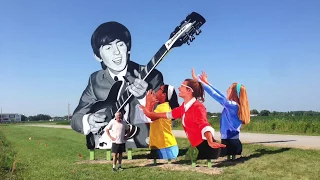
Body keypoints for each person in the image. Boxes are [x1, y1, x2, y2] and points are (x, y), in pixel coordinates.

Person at [70, 21, 164, 149]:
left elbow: (165, 115)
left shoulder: (152, 76)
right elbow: (76, 117)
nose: (117, 52)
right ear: (97, 56)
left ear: (128, 48)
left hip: (143, 144)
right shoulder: (95, 79)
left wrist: (144, 98)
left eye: (120, 45)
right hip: (104, 143)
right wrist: (88, 120)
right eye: (108, 48)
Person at [140, 78, 226, 160]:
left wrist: (210, 141)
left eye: (182, 86)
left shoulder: (198, 107)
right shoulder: (183, 108)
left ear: (189, 91)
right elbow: (164, 115)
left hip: (208, 149)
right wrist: (149, 110)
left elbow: (204, 125)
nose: (179, 88)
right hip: (195, 148)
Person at [192, 68, 250, 160]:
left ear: (234, 93)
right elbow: (219, 94)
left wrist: (199, 82)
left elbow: (215, 95)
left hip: (229, 142)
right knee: (229, 158)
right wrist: (207, 83)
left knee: (219, 154)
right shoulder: (234, 105)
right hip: (232, 141)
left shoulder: (232, 105)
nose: (227, 90)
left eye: (230, 88)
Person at [143, 85, 180, 160]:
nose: (157, 90)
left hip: (166, 148)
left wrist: (148, 101)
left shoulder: (162, 107)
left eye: (160, 89)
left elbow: (147, 118)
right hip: (165, 147)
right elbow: (148, 123)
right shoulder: (163, 107)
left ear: (164, 95)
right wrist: (150, 105)